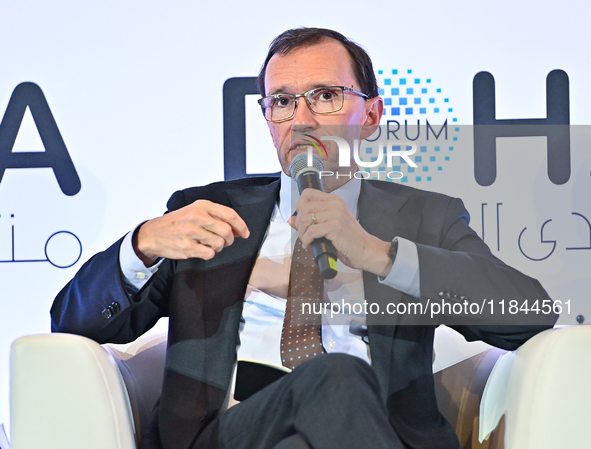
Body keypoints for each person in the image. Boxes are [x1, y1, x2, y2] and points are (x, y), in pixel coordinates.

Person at [51, 28, 557, 449]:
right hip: (228, 433)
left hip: (373, 429)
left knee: (332, 396)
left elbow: (528, 315)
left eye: (326, 96)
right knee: (334, 376)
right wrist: (139, 247)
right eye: (283, 102)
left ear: (373, 114)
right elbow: (71, 322)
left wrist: (381, 256)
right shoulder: (210, 212)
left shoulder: (424, 216)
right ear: (268, 120)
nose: (303, 120)